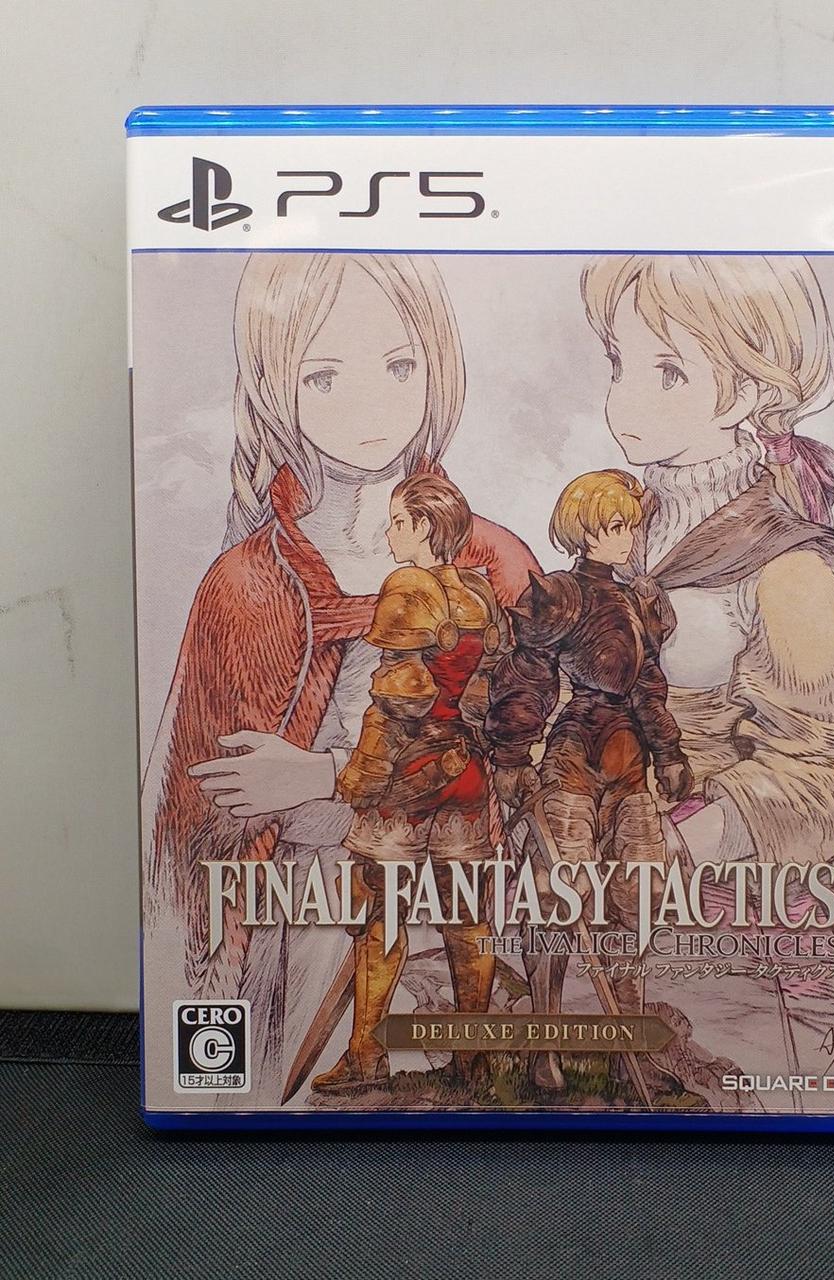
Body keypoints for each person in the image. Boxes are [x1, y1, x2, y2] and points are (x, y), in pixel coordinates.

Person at [143, 254, 537, 1103]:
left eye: (398, 366)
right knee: (283, 1087)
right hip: (300, 912)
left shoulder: (496, 562)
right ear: (275, 388)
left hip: (462, 878)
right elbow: (188, 817)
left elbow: (527, 736)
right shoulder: (246, 581)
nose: (369, 406)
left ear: (438, 365)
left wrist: (323, 775)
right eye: (323, 377)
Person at [578, 255, 834, 1101]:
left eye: (668, 371)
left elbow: (826, 766)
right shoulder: (617, 532)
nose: (625, 397)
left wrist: (677, 840)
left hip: (750, 911)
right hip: (615, 886)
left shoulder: (790, 566)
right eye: (618, 363)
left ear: (748, 391)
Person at [485, 470, 692, 1092]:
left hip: (630, 770)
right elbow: (528, 678)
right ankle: (542, 1048)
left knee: (636, 902)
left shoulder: (641, 603)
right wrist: (511, 756)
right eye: (615, 526)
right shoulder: (558, 597)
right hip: (573, 764)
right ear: (585, 531)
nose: (628, 538)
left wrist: (669, 753)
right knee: (556, 903)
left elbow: (649, 686)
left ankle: (631, 1053)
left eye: (631, 525)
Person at [311, 473, 506, 1093]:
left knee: (382, 917)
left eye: (398, 521)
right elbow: (484, 693)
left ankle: (366, 1058)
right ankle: (471, 1062)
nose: (391, 532)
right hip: (466, 778)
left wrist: (362, 776)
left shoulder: (408, 587)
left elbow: (399, 701)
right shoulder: (479, 593)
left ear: (423, 526)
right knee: (468, 920)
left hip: (408, 780)